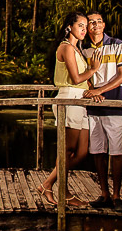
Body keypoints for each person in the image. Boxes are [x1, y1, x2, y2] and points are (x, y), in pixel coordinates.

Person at [38, 11, 100, 206]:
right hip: (69, 99)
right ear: (69, 27)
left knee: (82, 151)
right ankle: (63, 192)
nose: (84, 29)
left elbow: (83, 82)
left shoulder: (77, 50)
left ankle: (47, 183)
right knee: (68, 150)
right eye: (80, 25)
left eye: (85, 26)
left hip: (80, 100)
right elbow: (75, 79)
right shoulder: (66, 48)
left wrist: (94, 90)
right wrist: (93, 69)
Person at [83, 10, 122, 210]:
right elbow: (83, 75)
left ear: (104, 25)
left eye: (98, 22)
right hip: (93, 105)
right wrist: (91, 91)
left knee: (117, 150)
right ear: (87, 27)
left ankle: (117, 195)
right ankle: (103, 193)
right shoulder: (84, 48)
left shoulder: (118, 45)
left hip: (114, 102)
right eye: (91, 23)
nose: (95, 25)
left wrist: (100, 90)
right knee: (97, 150)